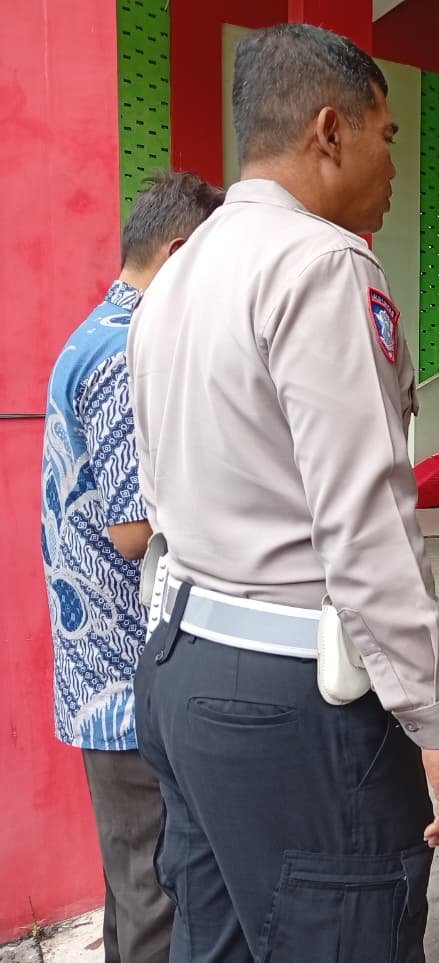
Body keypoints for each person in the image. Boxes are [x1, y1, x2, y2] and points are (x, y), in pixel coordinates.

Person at [127, 24, 439, 963]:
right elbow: (366, 530)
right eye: (388, 134)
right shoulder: (324, 265)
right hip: (289, 701)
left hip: (179, 665)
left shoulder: (176, 273)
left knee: (219, 940)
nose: (393, 162)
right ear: (330, 130)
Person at [40, 170, 224, 963]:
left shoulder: (95, 331)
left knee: (132, 892)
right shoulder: (124, 351)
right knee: (158, 897)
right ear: (179, 252)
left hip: (100, 674)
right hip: (124, 679)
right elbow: (133, 530)